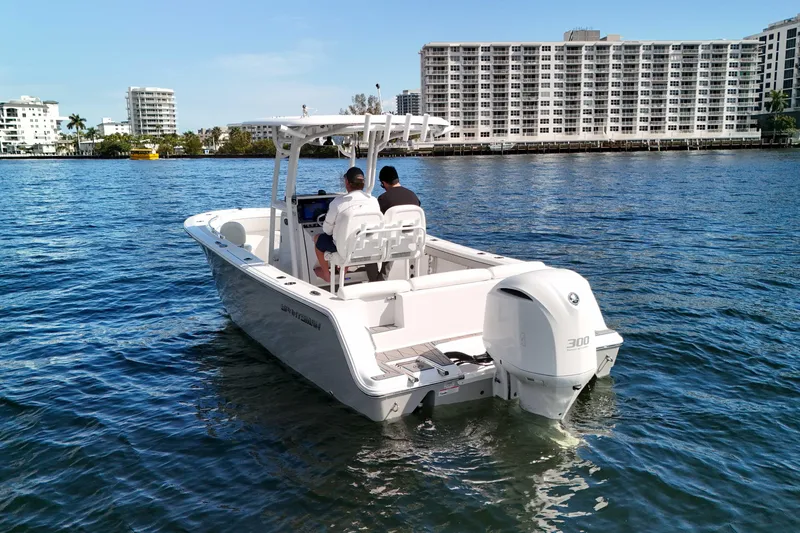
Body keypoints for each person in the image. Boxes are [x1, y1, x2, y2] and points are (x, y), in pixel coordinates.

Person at [313, 167, 380, 283]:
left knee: (318, 239)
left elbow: (327, 230)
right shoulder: (373, 200)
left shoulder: (338, 203)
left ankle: (326, 274)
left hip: (344, 248)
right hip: (367, 245)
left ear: (347, 183)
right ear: (363, 183)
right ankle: (343, 272)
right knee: (347, 237)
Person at [366, 166, 422, 282]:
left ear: (383, 183)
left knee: (368, 242)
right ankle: (382, 278)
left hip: (390, 243)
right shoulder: (413, 197)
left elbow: (374, 220)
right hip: (410, 241)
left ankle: (375, 282)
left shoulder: (384, 198)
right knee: (393, 240)